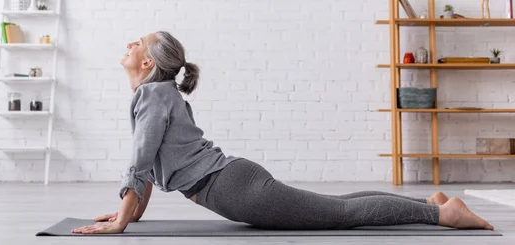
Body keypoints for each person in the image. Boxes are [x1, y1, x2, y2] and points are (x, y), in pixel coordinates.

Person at [72, 31, 494, 234]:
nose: (129, 44)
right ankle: (429, 202)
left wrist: (121, 224)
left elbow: (140, 162)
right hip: (234, 180)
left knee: (340, 216)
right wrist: (129, 215)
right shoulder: (159, 94)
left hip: (234, 188)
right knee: (333, 205)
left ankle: (441, 214)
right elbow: (148, 164)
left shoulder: (152, 97)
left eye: (137, 43)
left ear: (147, 64)